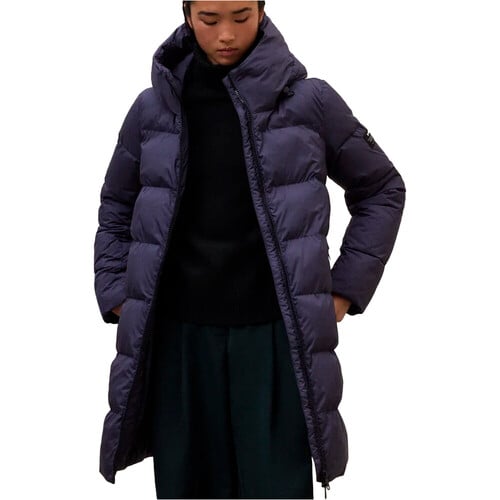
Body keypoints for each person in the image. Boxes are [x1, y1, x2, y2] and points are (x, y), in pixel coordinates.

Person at [93, 1, 406, 498]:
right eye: (209, 19)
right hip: (179, 343)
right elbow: (116, 204)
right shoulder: (153, 111)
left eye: (241, 17)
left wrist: (345, 290)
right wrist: (116, 293)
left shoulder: (310, 103)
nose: (225, 34)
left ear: (262, 10)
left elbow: (382, 189)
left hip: (274, 342)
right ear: (187, 14)